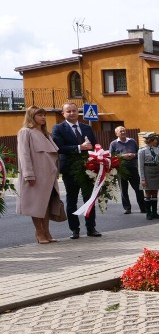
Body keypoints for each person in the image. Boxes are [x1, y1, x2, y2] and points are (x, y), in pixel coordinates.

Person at [51, 102, 100, 238]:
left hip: (88, 168)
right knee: (72, 200)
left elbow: (94, 145)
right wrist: (79, 147)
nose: (72, 113)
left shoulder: (86, 128)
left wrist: (98, 157)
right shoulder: (58, 128)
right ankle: (75, 229)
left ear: (78, 112)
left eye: (74, 111)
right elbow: (58, 147)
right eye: (68, 111)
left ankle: (91, 228)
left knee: (89, 199)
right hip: (70, 169)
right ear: (63, 113)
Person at [16, 106, 60, 243]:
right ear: (31, 116)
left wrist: (56, 172)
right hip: (35, 175)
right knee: (36, 205)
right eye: (39, 115)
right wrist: (29, 175)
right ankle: (39, 232)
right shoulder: (25, 132)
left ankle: (47, 231)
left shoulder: (46, 133)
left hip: (49, 176)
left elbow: (54, 156)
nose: (43, 117)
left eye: (44, 115)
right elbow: (24, 154)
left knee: (46, 205)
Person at [109, 126, 145, 215]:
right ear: (116, 133)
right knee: (124, 190)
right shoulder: (113, 144)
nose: (123, 132)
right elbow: (111, 156)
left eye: (124, 131)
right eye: (121, 131)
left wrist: (134, 155)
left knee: (138, 189)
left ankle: (143, 208)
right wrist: (122, 156)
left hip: (133, 168)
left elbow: (138, 153)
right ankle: (127, 208)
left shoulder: (132, 141)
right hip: (121, 169)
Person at [138, 133, 159, 220]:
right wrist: (142, 179)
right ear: (151, 140)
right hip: (147, 171)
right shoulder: (142, 150)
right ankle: (148, 213)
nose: (157, 141)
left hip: (156, 172)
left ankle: (154, 212)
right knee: (148, 193)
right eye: (155, 139)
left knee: (155, 193)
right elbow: (140, 166)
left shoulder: (156, 149)